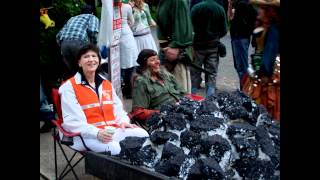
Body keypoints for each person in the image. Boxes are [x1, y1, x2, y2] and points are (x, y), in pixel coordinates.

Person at [58, 44, 149, 154]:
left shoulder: (106, 84)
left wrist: (123, 122)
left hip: (111, 130)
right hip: (85, 136)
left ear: (99, 60)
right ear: (79, 63)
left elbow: (118, 110)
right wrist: (97, 133)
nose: (91, 59)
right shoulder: (69, 87)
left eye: (94, 56)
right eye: (86, 57)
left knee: (143, 135)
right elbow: (72, 122)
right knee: (117, 149)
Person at [242, 0, 280, 121]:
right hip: (270, 70)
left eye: (262, 8)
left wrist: (263, 73)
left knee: (264, 107)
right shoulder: (266, 28)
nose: (258, 11)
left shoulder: (274, 29)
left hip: (269, 74)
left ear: (270, 11)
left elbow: (269, 53)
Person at [131, 49, 186, 121]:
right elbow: (138, 112)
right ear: (145, 64)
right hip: (163, 119)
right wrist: (165, 112)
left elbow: (184, 93)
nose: (157, 62)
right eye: (152, 60)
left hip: (181, 110)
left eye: (157, 59)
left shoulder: (166, 75)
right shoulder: (141, 82)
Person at [190, 0, 228, 97]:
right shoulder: (220, 9)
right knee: (211, 74)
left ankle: (191, 99)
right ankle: (209, 100)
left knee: (194, 74)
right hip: (213, 47)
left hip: (197, 46)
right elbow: (224, 30)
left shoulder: (196, 8)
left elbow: (189, 28)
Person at [155, 0, 193, 93]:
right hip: (166, 50)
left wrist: (176, 46)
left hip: (175, 54)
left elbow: (183, 27)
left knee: (179, 92)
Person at [56, 4, 99, 76]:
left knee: (74, 72)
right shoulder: (92, 17)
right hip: (79, 42)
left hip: (64, 44)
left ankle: (77, 85)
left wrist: (62, 45)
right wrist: (93, 47)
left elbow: (58, 35)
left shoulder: (72, 18)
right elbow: (92, 31)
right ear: (92, 12)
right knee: (88, 69)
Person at [230, 0, 257, 88]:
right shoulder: (245, 4)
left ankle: (245, 90)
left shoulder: (242, 4)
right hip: (242, 37)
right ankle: (244, 89)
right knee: (240, 66)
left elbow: (233, 20)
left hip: (240, 37)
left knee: (241, 67)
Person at [119, 0, 139, 98]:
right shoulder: (127, 7)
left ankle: (118, 90)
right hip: (126, 35)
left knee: (117, 64)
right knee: (130, 64)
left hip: (114, 36)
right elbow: (132, 22)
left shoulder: (108, 8)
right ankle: (129, 90)